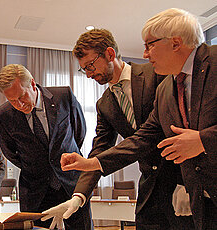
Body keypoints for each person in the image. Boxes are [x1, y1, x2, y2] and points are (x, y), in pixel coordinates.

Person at [59, 8, 216, 230]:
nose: (88, 74)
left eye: (91, 66)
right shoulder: (110, 102)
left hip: (185, 181)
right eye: (83, 69)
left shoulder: (162, 74)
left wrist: (202, 141)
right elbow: (138, 139)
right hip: (155, 187)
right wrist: (83, 185)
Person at [0, 64, 93, 229]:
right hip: (35, 192)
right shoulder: (3, 115)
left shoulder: (63, 96)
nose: (19, 104)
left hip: (72, 185)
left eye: (22, 96)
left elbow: (79, 133)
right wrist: (36, 165)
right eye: (12, 101)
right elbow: (10, 152)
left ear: (32, 84)